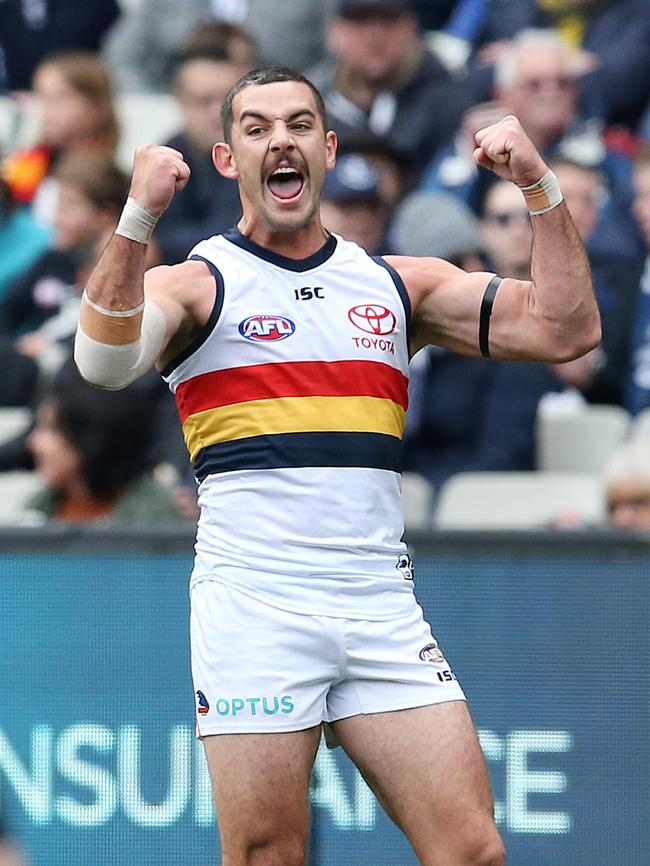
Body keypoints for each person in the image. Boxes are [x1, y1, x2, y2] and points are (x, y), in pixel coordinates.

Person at [73, 66, 599, 865]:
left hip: (376, 604)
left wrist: (539, 185)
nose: (280, 140)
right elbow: (103, 365)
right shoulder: (198, 285)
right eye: (256, 128)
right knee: (267, 856)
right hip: (256, 605)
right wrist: (139, 214)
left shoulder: (395, 285)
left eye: (297, 124)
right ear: (225, 159)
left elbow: (567, 329)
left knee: (474, 851)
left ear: (328, 146)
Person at [24, 361, 178, 524]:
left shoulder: (154, 516)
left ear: (88, 437)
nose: (33, 442)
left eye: (51, 429)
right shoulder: (37, 510)